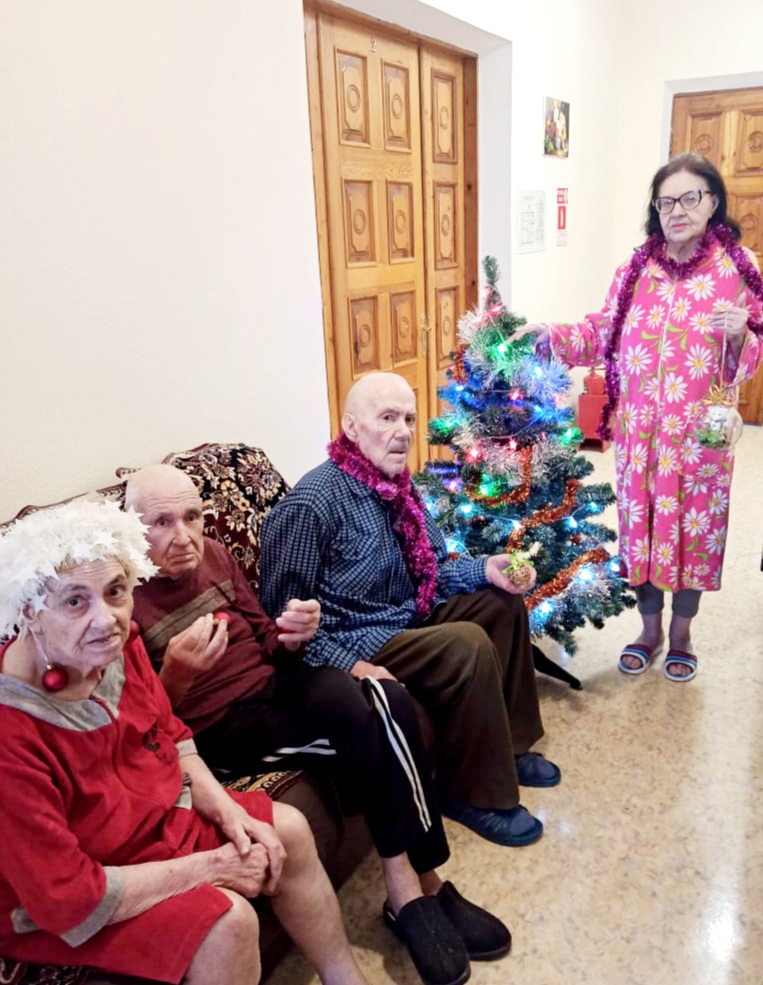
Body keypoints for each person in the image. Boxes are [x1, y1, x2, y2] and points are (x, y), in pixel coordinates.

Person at [125, 464, 511, 985]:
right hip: (220, 726)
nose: (184, 536)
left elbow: (266, 638)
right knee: (378, 727)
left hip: (271, 686)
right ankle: (417, 888)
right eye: (161, 523)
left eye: (192, 517)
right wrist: (175, 675)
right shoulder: (124, 599)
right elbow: (143, 727)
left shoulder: (213, 554)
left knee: (388, 697)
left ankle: (419, 882)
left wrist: (291, 634)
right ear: (130, 528)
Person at [0, 499, 369, 985]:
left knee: (291, 830)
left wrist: (228, 811)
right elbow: (66, 897)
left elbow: (171, 734)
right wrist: (213, 866)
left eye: (115, 591)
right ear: (30, 610)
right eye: (74, 601)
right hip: (72, 889)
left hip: (152, 823)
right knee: (229, 923)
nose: (106, 619)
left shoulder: (117, 644)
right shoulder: (10, 732)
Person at [259, 372, 561, 851]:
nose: (402, 432)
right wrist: (350, 665)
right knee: (466, 643)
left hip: (409, 616)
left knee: (500, 603)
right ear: (351, 428)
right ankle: (471, 793)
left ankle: (511, 745)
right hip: (359, 639)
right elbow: (280, 625)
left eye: (409, 419)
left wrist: (487, 568)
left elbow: (434, 571)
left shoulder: (399, 486)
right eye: (387, 418)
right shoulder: (311, 504)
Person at [515, 151, 763, 682]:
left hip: (698, 440)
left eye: (690, 198)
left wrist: (742, 334)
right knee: (641, 531)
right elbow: (601, 332)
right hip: (639, 436)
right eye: (666, 202)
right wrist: (551, 335)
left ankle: (682, 633)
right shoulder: (636, 270)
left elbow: (750, 358)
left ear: (713, 202)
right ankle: (650, 631)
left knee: (693, 534)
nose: (677, 211)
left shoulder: (738, 270)